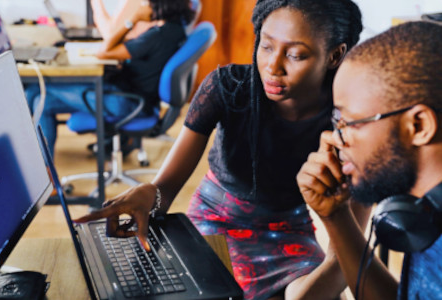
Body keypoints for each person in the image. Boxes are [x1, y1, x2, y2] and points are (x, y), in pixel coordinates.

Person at [74, 0, 371, 299]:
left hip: (290, 233)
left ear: (335, 55)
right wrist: (150, 195)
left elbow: (344, 257)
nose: (273, 66)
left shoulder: (350, 123)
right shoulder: (227, 89)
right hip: (214, 222)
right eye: (266, 46)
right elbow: (165, 190)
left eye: (295, 54)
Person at [296, 21, 442, 300]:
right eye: (336, 121)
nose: (334, 138)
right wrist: (335, 216)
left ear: (419, 126)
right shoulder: (424, 211)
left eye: (350, 122)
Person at [25, 0, 195, 156]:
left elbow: (104, 51)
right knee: (42, 101)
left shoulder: (157, 36)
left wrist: (132, 20)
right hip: (132, 97)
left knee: (36, 91)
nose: (144, 3)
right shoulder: (175, 29)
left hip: (127, 103)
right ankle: (48, 174)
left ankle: (34, 163)